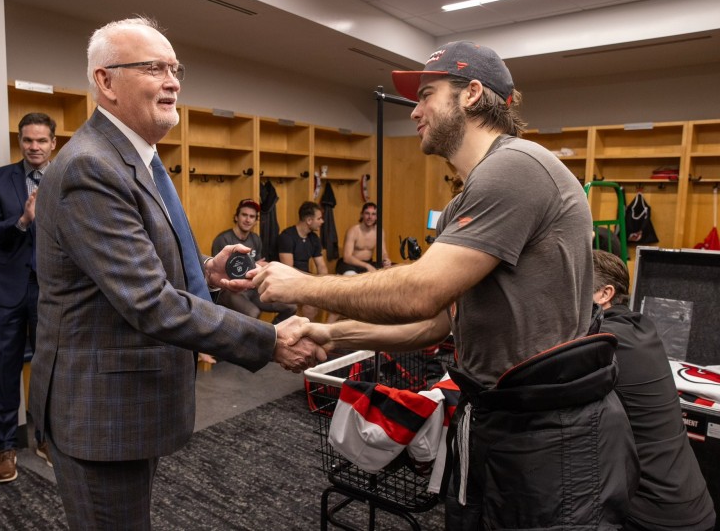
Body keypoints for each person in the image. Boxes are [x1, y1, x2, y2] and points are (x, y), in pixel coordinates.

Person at [256, 41, 638, 529]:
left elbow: (420, 292)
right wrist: (332, 336)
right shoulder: (466, 200)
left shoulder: (517, 167)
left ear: (472, 93)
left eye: (426, 95)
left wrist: (301, 286)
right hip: (497, 418)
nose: (414, 111)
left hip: (550, 432)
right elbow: (438, 323)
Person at [29, 17, 321, 529]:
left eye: (175, 68)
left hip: (128, 402)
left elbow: (134, 271)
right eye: (153, 68)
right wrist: (269, 339)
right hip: (100, 413)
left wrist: (202, 273)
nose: (173, 81)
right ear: (105, 81)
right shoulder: (90, 168)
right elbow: (147, 301)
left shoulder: (136, 160)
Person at [592, 249, 715, 531]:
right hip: (691, 507)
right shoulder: (641, 327)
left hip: (656, 517)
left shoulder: (606, 340)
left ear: (604, 294)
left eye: (577, 283)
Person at [0, 112, 56, 482]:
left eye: (41, 140)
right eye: (28, 140)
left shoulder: (67, 180)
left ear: (53, 143)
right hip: (5, 290)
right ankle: (7, 446)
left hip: (51, 290)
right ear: (20, 141)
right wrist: (23, 221)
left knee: (48, 370)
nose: (34, 147)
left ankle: (45, 439)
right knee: (6, 370)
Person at [200, 199, 297, 364]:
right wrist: (255, 266)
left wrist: (258, 267)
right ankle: (250, 351)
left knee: (290, 306)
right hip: (228, 291)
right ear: (236, 217)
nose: (248, 219)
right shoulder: (223, 240)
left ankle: (272, 339)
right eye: (244, 215)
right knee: (253, 313)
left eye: (252, 216)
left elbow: (257, 266)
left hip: (251, 289)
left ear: (255, 220)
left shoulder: (255, 239)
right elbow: (221, 274)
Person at [277, 201, 328, 321]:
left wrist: (325, 283)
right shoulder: (287, 237)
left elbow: (321, 266)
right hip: (287, 279)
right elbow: (288, 270)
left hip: (306, 279)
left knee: (329, 298)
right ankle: (304, 332)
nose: (322, 222)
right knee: (310, 301)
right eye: (319, 218)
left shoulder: (314, 238)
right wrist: (311, 279)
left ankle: (312, 331)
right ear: (309, 220)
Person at [336, 202, 392, 275]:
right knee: (352, 278)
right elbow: (347, 257)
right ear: (362, 214)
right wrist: (367, 266)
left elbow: (383, 252)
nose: (370, 217)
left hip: (368, 263)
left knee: (385, 275)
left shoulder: (379, 232)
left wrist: (386, 260)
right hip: (350, 265)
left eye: (373, 214)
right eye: (367, 213)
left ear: (376, 217)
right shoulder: (353, 231)